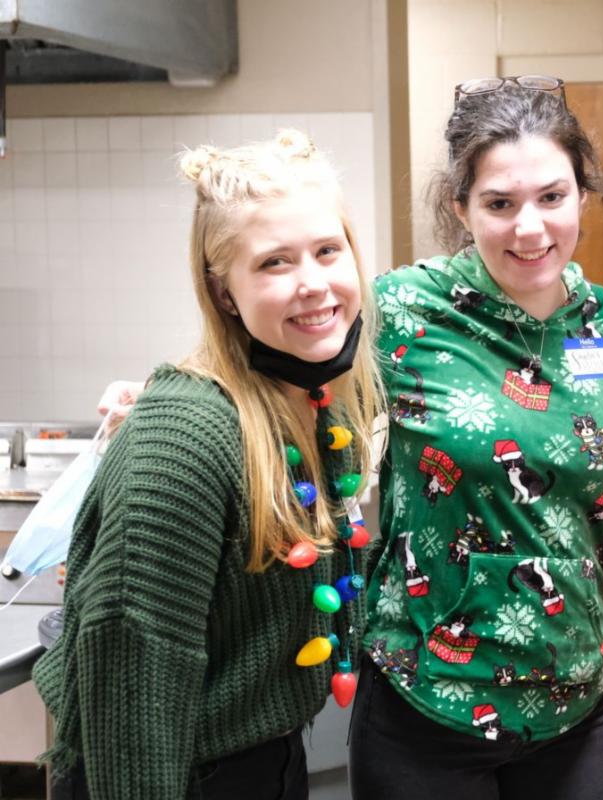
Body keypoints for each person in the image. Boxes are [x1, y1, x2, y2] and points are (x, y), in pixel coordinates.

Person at [34, 130, 385, 799]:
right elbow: (134, 672)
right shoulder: (184, 437)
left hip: (265, 759)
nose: (314, 284)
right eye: (275, 263)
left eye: (327, 250)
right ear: (223, 292)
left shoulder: (311, 398)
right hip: (164, 772)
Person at [348, 77, 603, 799]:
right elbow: (289, 377)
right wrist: (182, 390)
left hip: (575, 696)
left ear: (583, 194)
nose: (530, 229)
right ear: (461, 207)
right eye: (500, 204)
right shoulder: (401, 310)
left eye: (552, 197)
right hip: (427, 698)